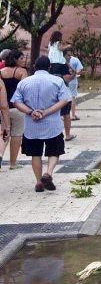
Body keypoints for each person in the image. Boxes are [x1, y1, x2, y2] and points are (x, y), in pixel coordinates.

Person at [10, 56, 71, 192]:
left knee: (35, 154)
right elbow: (64, 99)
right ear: (49, 67)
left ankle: (38, 182)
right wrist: (46, 112)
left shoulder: (24, 82)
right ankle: (48, 173)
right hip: (52, 125)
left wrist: (31, 112)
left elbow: (16, 101)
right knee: (54, 151)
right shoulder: (57, 81)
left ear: (34, 67)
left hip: (32, 126)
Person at [0, 49, 28, 169]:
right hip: (18, 107)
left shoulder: (1, 72)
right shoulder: (22, 72)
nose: (24, 60)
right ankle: (13, 163)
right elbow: (24, 91)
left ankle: (0, 154)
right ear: (15, 59)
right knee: (16, 135)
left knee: (4, 134)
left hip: (3, 108)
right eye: (21, 58)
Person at [47, 31, 74, 141]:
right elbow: (61, 49)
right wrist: (68, 46)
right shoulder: (58, 43)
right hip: (58, 64)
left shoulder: (50, 44)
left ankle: (53, 133)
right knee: (66, 113)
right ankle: (67, 134)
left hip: (52, 64)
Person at [65, 48, 83, 121]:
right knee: (72, 97)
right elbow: (80, 69)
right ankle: (72, 115)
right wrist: (77, 73)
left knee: (64, 97)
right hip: (73, 80)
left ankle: (64, 115)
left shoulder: (61, 59)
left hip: (64, 79)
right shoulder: (75, 59)